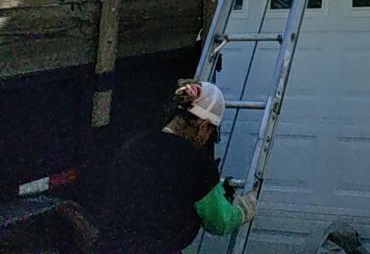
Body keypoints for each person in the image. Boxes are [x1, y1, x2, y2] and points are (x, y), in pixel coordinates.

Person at [96, 80, 257, 254]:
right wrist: (243, 209)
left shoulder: (133, 145)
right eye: (211, 132)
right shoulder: (198, 165)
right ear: (203, 126)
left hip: (109, 247)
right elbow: (220, 222)